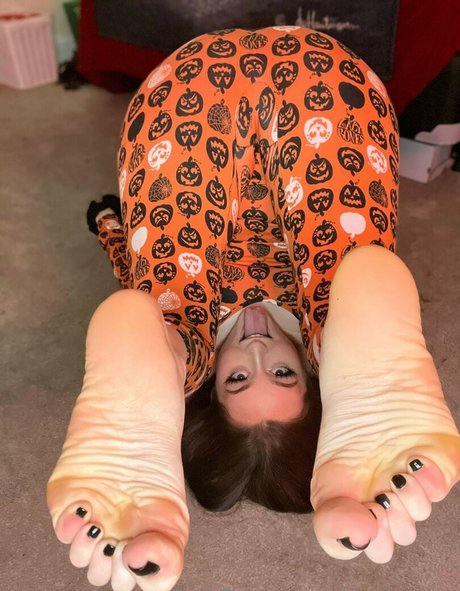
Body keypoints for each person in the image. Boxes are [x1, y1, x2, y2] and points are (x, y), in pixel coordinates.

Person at [47, 26, 460, 591]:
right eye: (284, 373)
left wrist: (110, 228)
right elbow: (344, 284)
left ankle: (152, 400)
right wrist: (334, 346)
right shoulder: (321, 328)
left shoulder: (193, 343)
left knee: (160, 310)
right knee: (344, 281)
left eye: (238, 378)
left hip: (185, 105)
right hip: (325, 90)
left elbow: (125, 308)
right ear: (313, 380)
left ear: (211, 389)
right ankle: (364, 366)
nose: (258, 348)